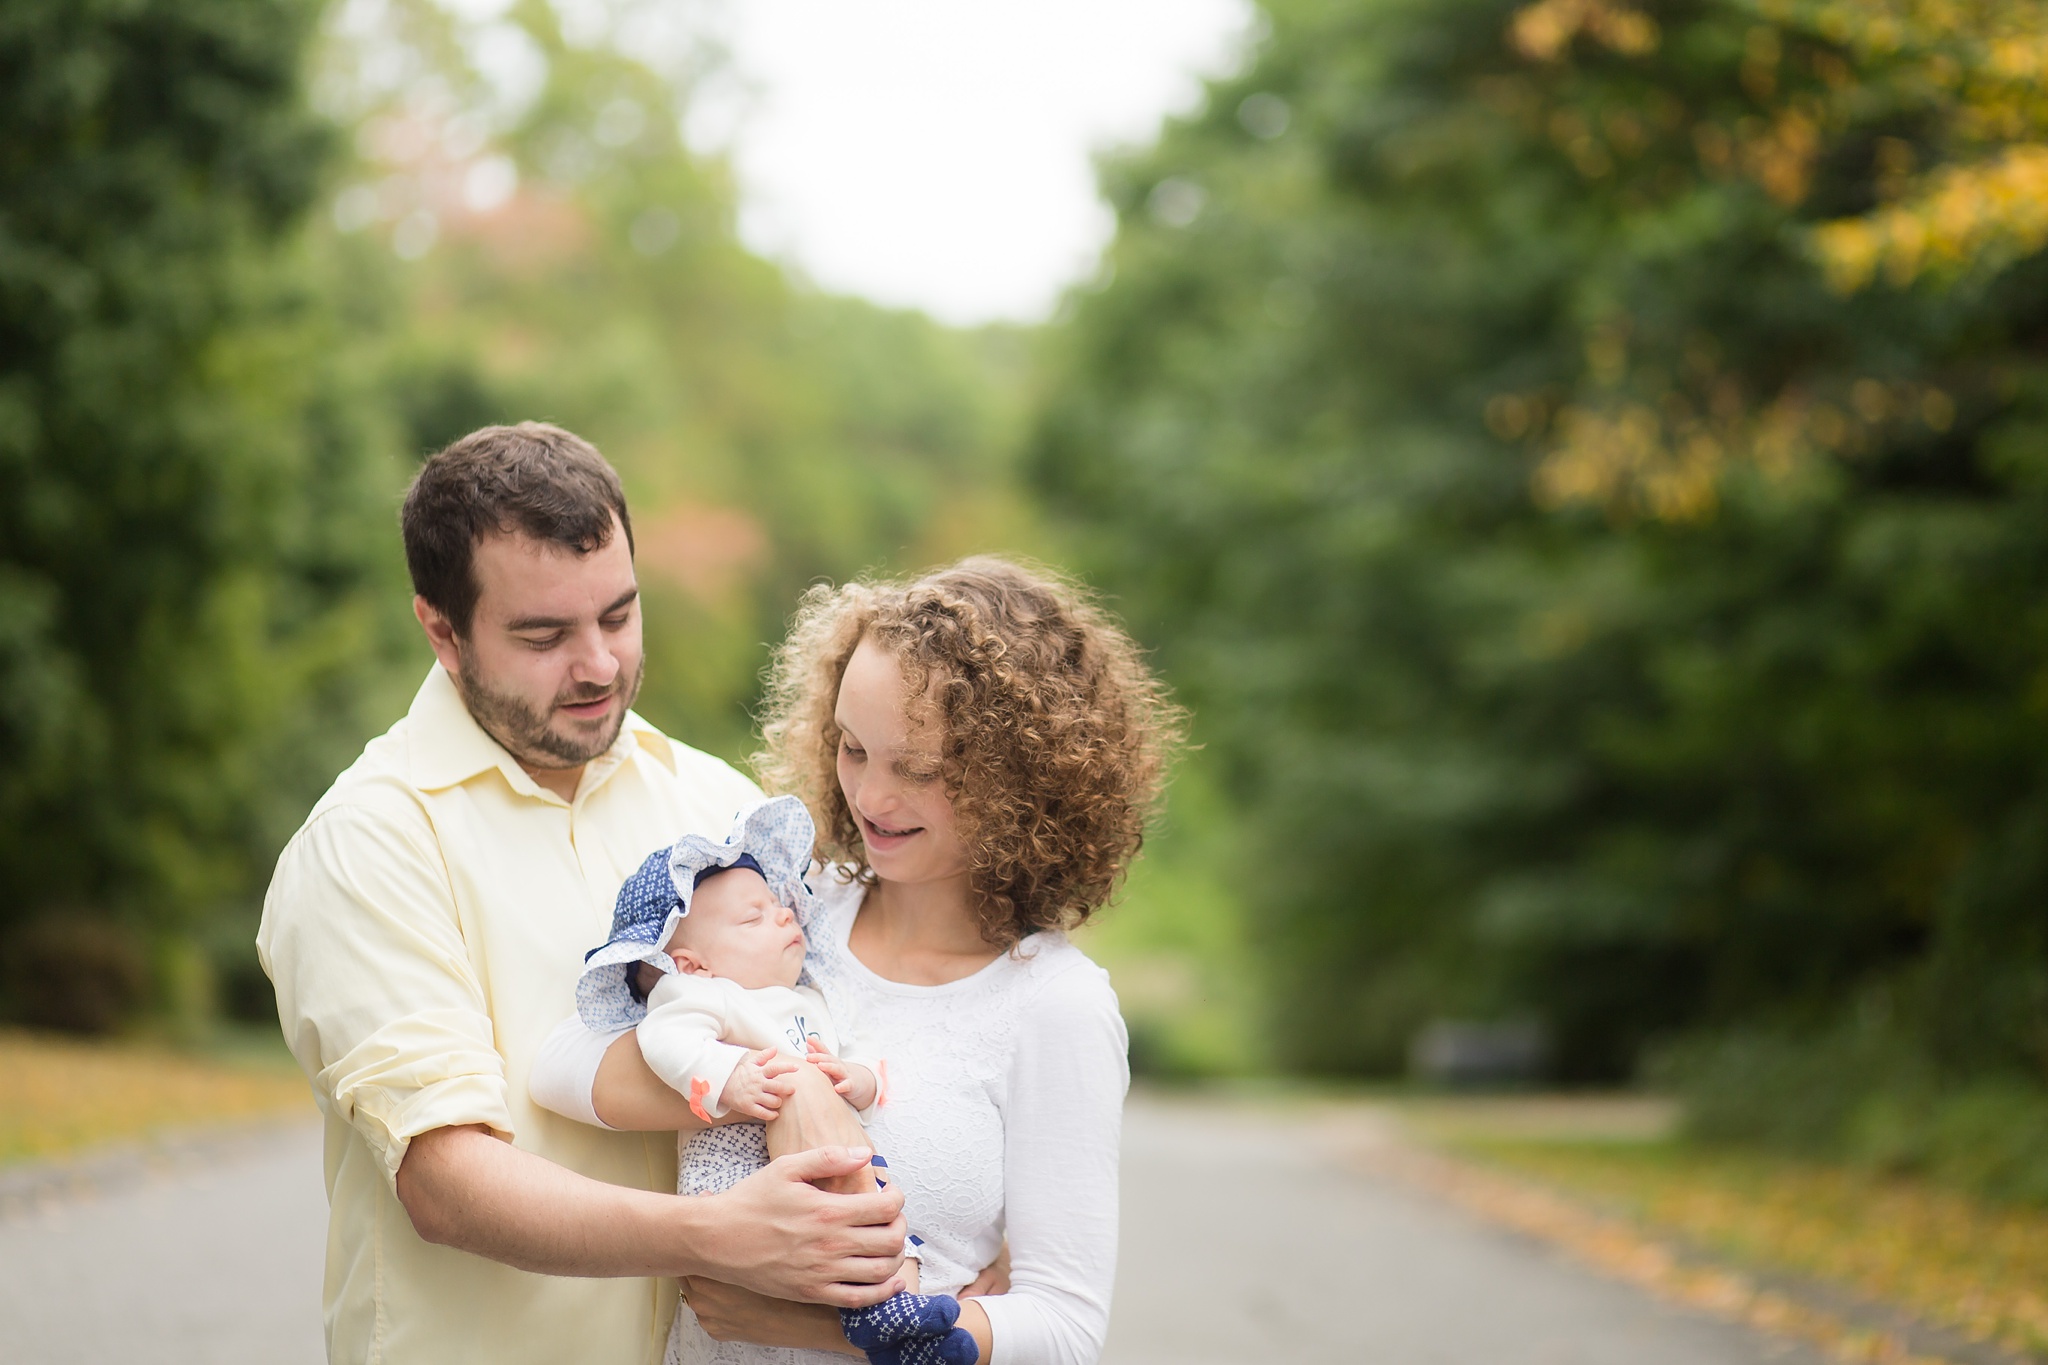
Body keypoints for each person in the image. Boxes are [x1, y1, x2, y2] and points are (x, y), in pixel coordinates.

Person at [257, 424, 910, 1365]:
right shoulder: (369, 841)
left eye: (618, 614)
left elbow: (841, 1018)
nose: (599, 664)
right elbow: (443, 1179)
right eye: (544, 634)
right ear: (442, 629)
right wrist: (723, 1233)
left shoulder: (717, 801)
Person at [533, 557, 1183, 1365]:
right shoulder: (784, 913)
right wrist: (785, 1087)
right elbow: (566, 1057)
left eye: (920, 768)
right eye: (853, 748)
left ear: (1021, 780)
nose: (871, 796)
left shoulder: (1055, 1002)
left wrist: (810, 1323)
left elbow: (1064, 1327)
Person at [546, 793, 978, 1365]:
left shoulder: (810, 1002)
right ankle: (878, 1303)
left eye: (780, 905)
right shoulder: (705, 994)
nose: (783, 915)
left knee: (873, 1206)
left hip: (827, 1164)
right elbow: (665, 1039)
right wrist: (728, 1076)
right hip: (736, 1171)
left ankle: (887, 1302)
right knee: (822, 1233)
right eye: (754, 917)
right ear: (695, 964)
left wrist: (854, 1079)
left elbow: (865, 1057)